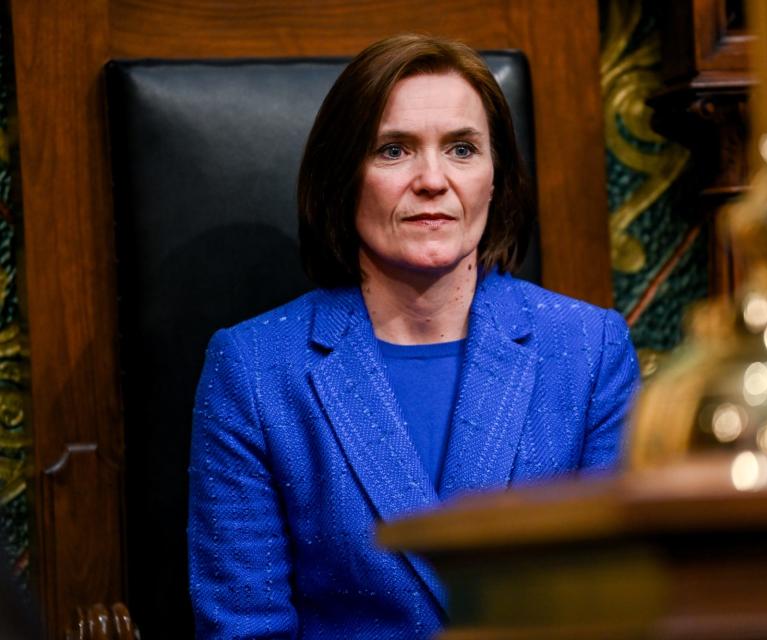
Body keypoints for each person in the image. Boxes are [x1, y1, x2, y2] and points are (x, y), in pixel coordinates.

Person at [188, 33, 640, 639]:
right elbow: (246, 629)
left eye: (461, 149)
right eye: (394, 150)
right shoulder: (253, 369)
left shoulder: (591, 350)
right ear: (343, 177)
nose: (432, 179)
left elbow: (616, 611)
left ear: (495, 178)